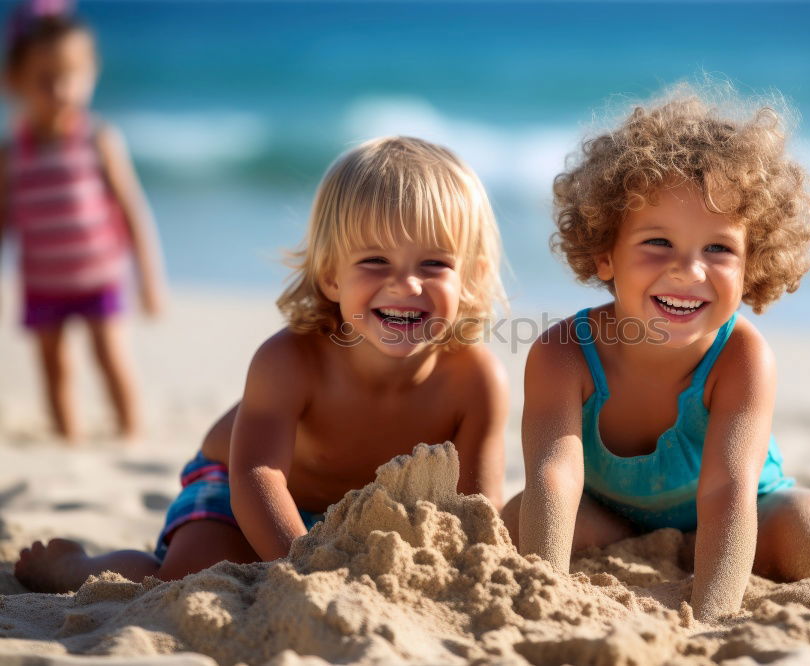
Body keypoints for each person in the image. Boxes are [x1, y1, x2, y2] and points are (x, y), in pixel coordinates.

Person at [15, 136, 509, 592]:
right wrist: (306, 565)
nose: (406, 285)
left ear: (470, 277)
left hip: (358, 515)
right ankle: (74, 567)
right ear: (331, 275)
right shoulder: (291, 360)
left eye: (434, 264)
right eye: (375, 261)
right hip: (240, 490)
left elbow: (477, 511)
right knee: (193, 576)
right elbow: (256, 474)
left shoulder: (475, 381)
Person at [502, 85, 810, 622]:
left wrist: (710, 621)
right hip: (612, 518)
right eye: (658, 243)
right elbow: (555, 476)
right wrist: (542, 596)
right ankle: (672, 549)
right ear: (604, 253)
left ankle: (698, 557)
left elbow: (728, 490)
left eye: (718, 248)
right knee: (518, 514)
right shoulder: (563, 354)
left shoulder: (741, 357)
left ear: (751, 263)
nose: (689, 271)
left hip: (742, 515)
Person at [0, 0, 166, 443]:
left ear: (91, 74)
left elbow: (133, 210)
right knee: (54, 367)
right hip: (42, 282)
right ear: (12, 81)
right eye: (44, 79)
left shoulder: (98, 139)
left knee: (111, 357)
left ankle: (129, 433)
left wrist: (149, 278)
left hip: (100, 277)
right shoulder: (12, 154)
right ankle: (67, 441)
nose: (61, 91)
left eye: (71, 77)